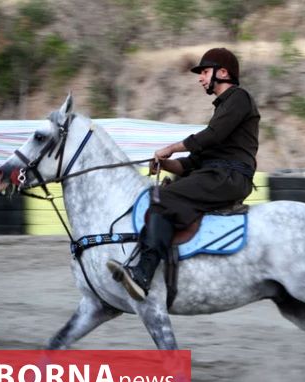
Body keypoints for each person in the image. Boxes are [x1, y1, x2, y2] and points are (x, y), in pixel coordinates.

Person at [108, 47, 260, 301]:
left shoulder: (239, 98)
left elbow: (212, 136)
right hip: (215, 174)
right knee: (164, 192)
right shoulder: (223, 110)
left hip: (229, 177)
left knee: (162, 199)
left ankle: (143, 274)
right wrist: (164, 163)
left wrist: (171, 147)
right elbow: (190, 164)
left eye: (205, 72)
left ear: (223, 73)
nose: (201, 78)